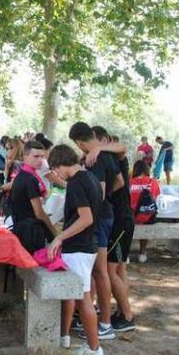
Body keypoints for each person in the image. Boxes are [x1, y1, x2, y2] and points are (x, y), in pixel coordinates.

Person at [46, 144, 104, 355]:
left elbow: (86, 218)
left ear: (60, 164)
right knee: (82, 296)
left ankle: (94, 348)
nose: (57, 174)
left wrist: (60, 237)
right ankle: (92, 346)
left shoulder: (78, 183)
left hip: (79, 247)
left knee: (83, 299)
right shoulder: (89, 178)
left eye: (56, 169)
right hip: (88, 245)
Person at [68, 122, 124, 339]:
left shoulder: (95, 158)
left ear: (79, 143)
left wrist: (87, 218)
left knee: (100, 271)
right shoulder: (106, 154)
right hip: (107, 216)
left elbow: (97, 194)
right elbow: (119, 181)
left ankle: (105, 324)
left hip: (99, 219)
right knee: (98, 271)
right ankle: (95, 316)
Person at [9, 141, 57, 253]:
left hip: (22, 230)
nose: (40, 160)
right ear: (25, 157)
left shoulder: (23, 175)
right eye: (36, 156)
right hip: (30, 233)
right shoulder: (30, 179)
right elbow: (39, 213)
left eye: (42, 156)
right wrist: (53, 233)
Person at [129, 160, 161, 263]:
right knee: (148, 217)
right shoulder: (153, 182)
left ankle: (126, 254)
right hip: (148, 217)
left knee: (125, 222)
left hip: (132, 217)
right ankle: (142, 252)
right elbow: (155, 199)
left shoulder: (129, 182)